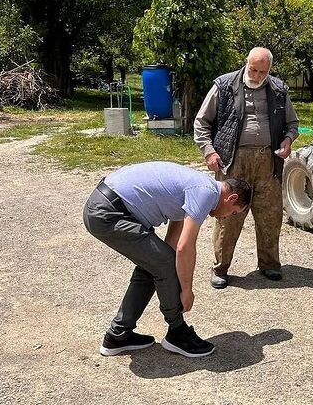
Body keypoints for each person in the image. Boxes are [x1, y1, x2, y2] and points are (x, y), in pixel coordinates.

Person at [83, 161, 252, 358]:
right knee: (163, 263)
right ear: (231, 198)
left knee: (157, 263)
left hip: (104, 207)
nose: (225, 218)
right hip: (109, 213)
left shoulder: (197, 187)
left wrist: (165, 269)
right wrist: (186, 291)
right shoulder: (206, 193)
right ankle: (177, 333)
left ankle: (118, 335)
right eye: (232, 212)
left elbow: (172, 243)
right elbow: (185, 248)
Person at [194, 47, 299, 288]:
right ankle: (221, 268)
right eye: (253, 69)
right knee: (228, 218)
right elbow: (201, 122)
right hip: (233, 161)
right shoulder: (224, 85)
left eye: (263, 71)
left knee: (270, 215)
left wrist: (288, 140)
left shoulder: (278, 89)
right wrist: (209, 152)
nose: (258, 75)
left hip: (267, 162)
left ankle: (270, 264)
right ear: (246, 63)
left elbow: (292, 123)